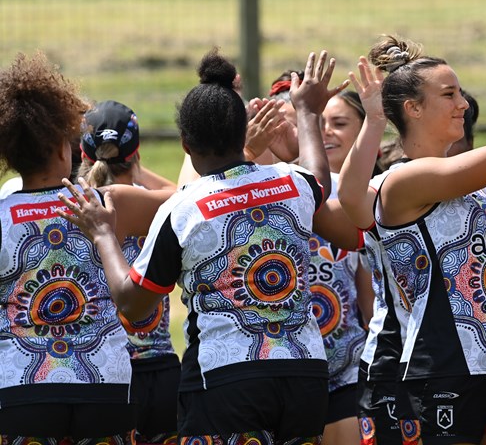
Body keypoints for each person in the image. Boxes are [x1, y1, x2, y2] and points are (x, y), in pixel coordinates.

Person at [60, 48, 352, 443]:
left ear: (184, 143)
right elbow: (319, 174)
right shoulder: (291, 183)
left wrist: (103, 234)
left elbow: (133, 301)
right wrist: (307, 112)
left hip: (226, 382)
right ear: (242, 133)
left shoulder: (182, 208)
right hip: (305, 375)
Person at [338, 0, 486, 445]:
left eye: (459, 92)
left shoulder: (459, 179)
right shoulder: (406, 179)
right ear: (413, 108)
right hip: (444, 365)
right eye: (448, 95)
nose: (463, 104)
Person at [0, 53, 157, 441]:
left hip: (21, 387)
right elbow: (183, 200)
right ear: (61, 147)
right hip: (105, 381)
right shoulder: (109, 202)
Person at [77, 100, 180, 445]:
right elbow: (187, 194)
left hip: (103, 372)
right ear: (136, 153)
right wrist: (137, 169)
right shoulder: (156, 203)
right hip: (159, 370)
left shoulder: (76, 205)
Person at [313, 89, 377, 445]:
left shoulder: (373, 195)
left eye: (338, 124)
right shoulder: (292, 184)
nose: (326, 132)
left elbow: (369, 299)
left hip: (349, 367)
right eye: (319, 123)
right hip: (296, 368)